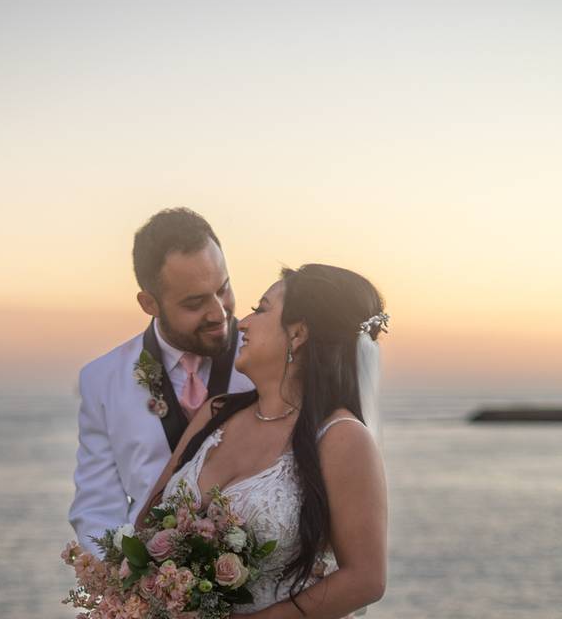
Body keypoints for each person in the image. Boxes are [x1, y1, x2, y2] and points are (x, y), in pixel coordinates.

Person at [137, 264, 388, 617]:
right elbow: (146, 523)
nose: (242, 323)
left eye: (262, 309)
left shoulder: (341, 437)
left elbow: (365, 579)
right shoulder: (215, 413)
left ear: (298, 334)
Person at [70, 208, 253, 554]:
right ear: (149, 303)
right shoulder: (101, 380)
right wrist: (133, 587)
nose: (218, 313)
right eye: (195, 302)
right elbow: (96, 508)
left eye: (223, 288)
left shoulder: (270, 357)